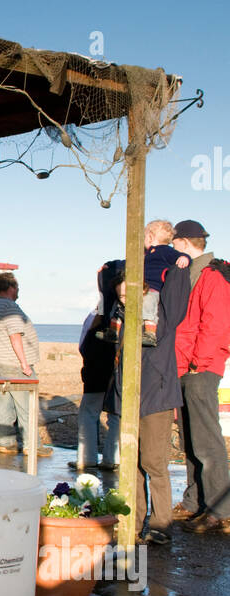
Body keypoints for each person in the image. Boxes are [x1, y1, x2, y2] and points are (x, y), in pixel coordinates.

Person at [105, 262, 190, 544]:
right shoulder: (122, 316)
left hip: (156, 399)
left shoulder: (160, 312)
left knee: (154, 464)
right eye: (120, 297)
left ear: (141, 289)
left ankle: (161, 526)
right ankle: (134, 520)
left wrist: (179, 267)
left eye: (128, 295)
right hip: (128, 400)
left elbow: (178, 296)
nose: (124, 300)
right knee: (132, 464)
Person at [171, 220, 230, 534]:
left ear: (182, 242)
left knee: (206, 440)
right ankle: (195, 502)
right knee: (189, 438)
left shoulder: (212, 274)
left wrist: (198, 363)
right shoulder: (190, 271)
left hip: (200, 367)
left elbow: (216, 323)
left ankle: (221, 509)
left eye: (174, 242)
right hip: (184, 365)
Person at [0, 272, 52, 457]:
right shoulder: (10, 307)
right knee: (27, 405)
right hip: (15, 363)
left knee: (5, 402)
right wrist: (24, 364)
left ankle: (6, 443)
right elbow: (15, 335)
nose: (18, 291)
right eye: (17, 288)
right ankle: (31, 445)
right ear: (10, 288)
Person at [100, 221, 183, 347]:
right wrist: (110, 264)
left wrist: (184, 259)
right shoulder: (144, 254)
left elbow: (181, 255)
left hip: (153, 288)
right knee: (119, 306)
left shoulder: (166, 251)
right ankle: (113, 332)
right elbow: (126, 262)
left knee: (149, 306)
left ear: (150, 237)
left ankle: (150, 333)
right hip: (140, 286)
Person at [72, 266, 121, 471]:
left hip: (96, 371)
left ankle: (87, 458)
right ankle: (112, 458)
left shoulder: (98, 314)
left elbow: (84, 343)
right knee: (116, 415)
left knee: (89, 413)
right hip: (115, 371)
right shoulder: (120, 310)